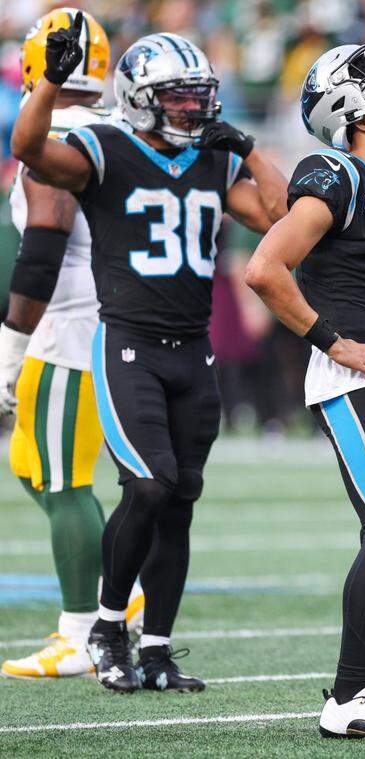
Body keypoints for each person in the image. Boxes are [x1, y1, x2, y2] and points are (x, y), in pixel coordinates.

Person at [10, 16, 287, 693]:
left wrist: (247, 147)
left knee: (181, 498)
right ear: (139, 96)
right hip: (127, 342)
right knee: (150, 482)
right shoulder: (104, 145)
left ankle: (157, 646)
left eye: (200, 94)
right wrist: (49, 81)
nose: (194, 107)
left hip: (193, 351)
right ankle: (105, 625)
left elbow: (278, 212)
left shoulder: (214, 156)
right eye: (178, 95)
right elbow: (30, 146)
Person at [244, 42, 365, 741]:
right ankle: (350, 694)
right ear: (354, 114)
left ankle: (358, 689)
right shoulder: (333, 178)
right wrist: (331, 341)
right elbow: (266, 269)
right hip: (353, 378)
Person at [0, 7, 146, 681]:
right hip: (120, 326)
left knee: (63, 483)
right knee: (34, 466)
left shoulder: (56, 135)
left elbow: (44, 250)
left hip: (70, 332)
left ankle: (83, 627)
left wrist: (11, 338)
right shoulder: (122, 132)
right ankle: (118, 592)